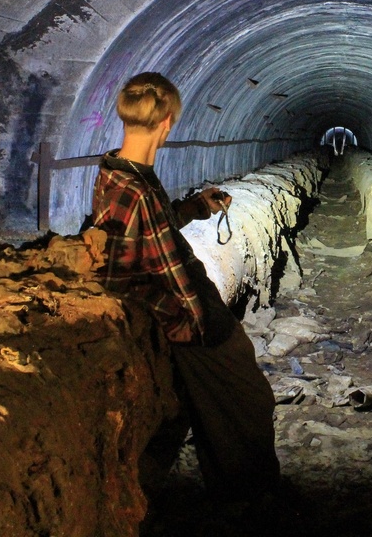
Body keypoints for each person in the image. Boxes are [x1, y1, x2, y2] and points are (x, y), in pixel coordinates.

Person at [89, 71, 280, 507]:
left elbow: (150, 231)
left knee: (216, 407)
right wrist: (194, 322)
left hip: (188, 309)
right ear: (168, 121)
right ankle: (251, 502)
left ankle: (236, 494)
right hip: (188, 317)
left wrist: (196, 207)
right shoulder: (134, 186)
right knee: (248, 401)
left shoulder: (124, 174)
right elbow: (123, 275)